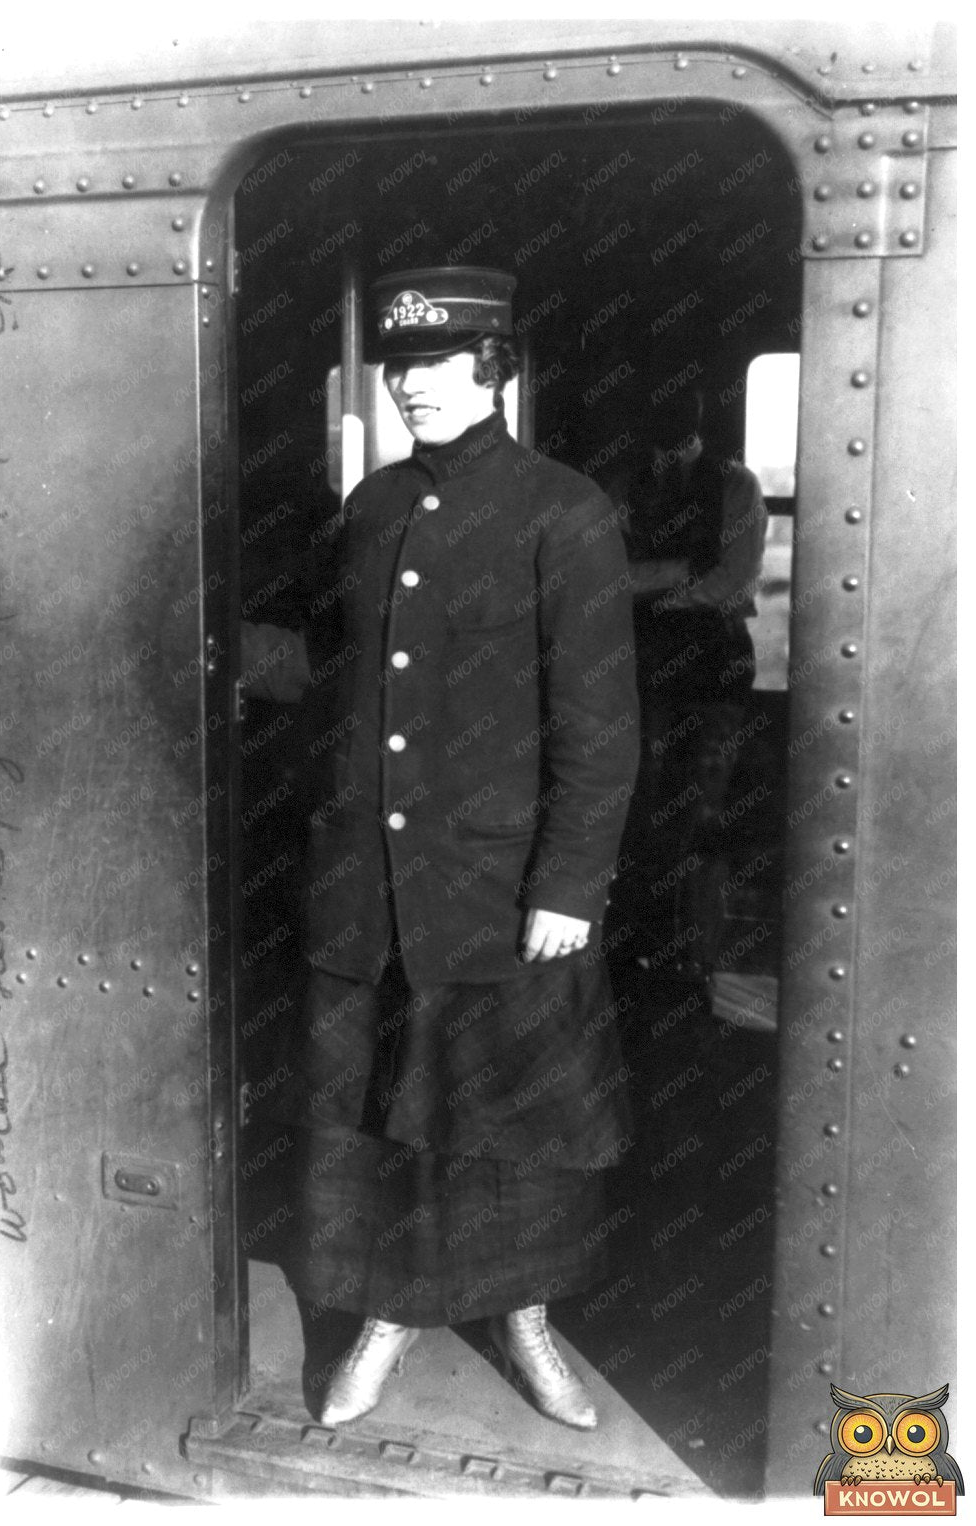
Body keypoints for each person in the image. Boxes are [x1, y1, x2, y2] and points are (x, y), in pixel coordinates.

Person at [240, 266, 638, 1433]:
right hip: (368, 883)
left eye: (438, 363)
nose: (412, 385)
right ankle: (386, 1318)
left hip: (497, 883)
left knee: (508, 1116)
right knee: (375, 1112)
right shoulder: (369, 506)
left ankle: (523, 1319)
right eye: (400, 367)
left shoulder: (565, 511)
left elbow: (601, 726)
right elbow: (339, 678)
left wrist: (568, 882)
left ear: (494, 369)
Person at [600, 382, 767, 989]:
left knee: (700, 810)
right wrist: (679, 575)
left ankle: (692, 957)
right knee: (635, 803)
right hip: (640, 664)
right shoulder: (622, 483)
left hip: (712, 668)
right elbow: (603, 573)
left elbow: (735, 580)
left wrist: (645, 588)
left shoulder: (736, 484)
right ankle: (639, 950)